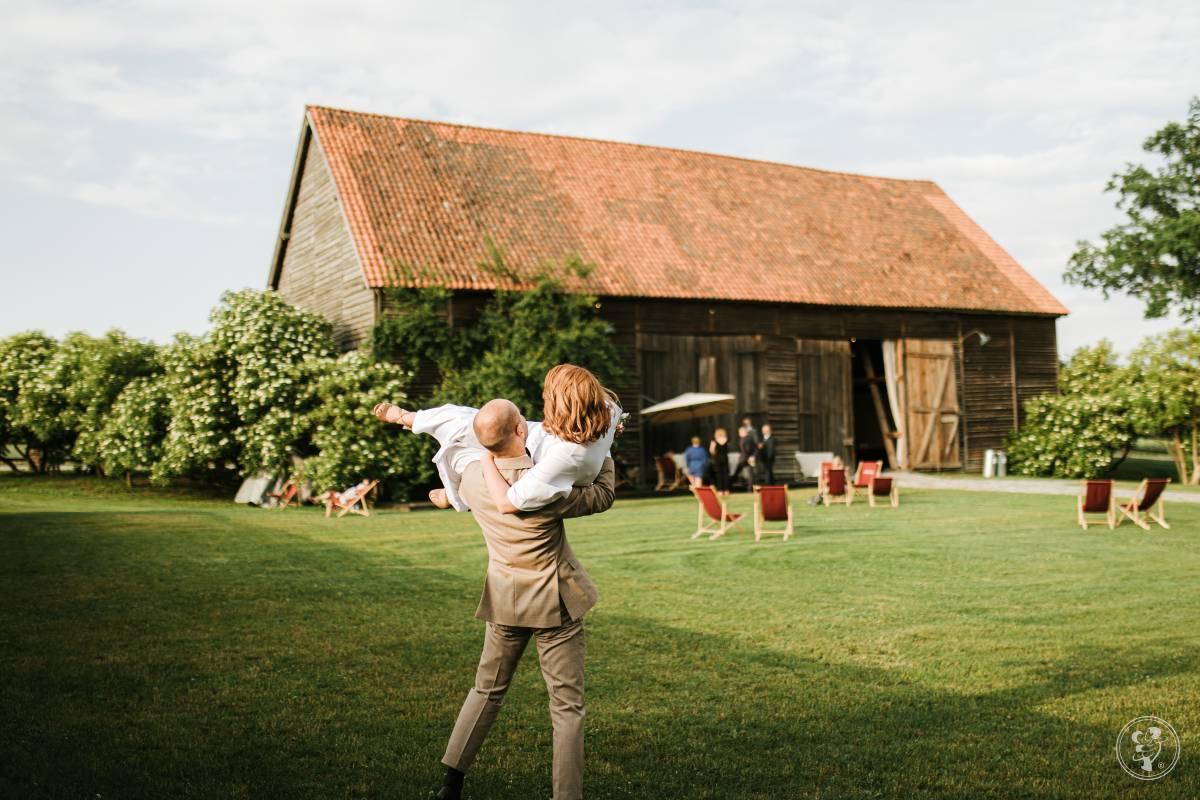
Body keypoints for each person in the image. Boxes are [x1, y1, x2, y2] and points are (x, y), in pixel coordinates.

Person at [394, 399, 615, 800]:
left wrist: (443, 495)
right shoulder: (544, 484)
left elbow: (456, 493)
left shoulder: (474, 474)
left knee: (486, 690)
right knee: (567, 707)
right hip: (555, 603)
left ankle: (451, 783)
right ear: (520, 431)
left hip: (504, 599)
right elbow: (602, 495)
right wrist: (605, 441)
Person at [373, 365, 620, 514]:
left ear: (563, 406)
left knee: (470, 440)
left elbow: (507, 503)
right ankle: (410, 419)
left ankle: (453, 493)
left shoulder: (565, 459)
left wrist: (488, 459)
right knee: (474, 418)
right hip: (547, 436)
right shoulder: (608, 410)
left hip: (532, 456)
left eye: (547, 397)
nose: (544, 400)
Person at [733, 424, 757, 489]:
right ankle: (749, 487)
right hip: (747, 458)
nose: (739, 434)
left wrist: (750, 457)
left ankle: (749, 488)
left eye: (740, 432)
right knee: (749, 473)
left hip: (746, 458)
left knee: (748, 473)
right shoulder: (746, 438)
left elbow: (748, 449)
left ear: (744, 432)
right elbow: (755, 448)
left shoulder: (747, 439)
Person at [709, 427, 731, 496]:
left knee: (719, 475)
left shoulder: (714, 440)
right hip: (725, 458)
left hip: (718, 459)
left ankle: (720, 490)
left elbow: (711, 451)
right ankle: (726, 490)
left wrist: (714, 452)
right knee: (725, 474)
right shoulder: (726, 440)